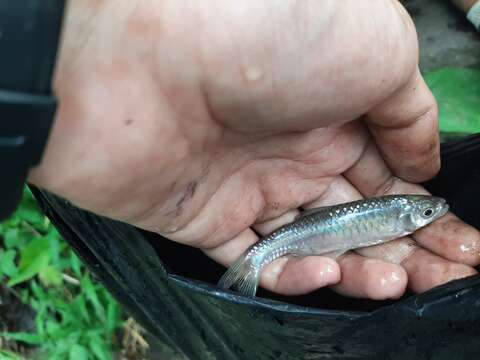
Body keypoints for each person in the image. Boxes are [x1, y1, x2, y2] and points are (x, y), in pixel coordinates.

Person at [2, 0, 480, 301]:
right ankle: (256, 261)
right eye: (428, 209)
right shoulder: (400, 211)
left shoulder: (396, 209)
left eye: (429, 209)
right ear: (409, 213)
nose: (433, 210)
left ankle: (258, 260)